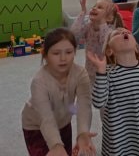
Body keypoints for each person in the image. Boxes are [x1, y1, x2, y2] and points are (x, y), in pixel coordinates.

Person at [88, 27, 139, 156]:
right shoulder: (108, 73)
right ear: (109, 50)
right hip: (118, 141)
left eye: (127, 32)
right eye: (116, 34)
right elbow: (98, 102)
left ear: (136, 48)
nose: (124, 32)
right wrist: (101, 72)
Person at [21, 27, 96, 156]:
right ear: (45, 55)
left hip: (63, 122)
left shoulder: (80, 73)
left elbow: (84, 105)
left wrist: (82, 133)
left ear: (75, 52)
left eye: (69, 52)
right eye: (56, 53)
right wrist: (55, 144)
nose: (63, 58)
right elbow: (46, 117)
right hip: (35, 126)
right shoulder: (39, 81)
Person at [70, 0, 124, 86]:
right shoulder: (88, 26)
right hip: (89, 70)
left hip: (105, 72)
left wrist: (102, 22)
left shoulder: (109, 31)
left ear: (109, 18)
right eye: (94, 6)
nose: (94, 8)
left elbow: (104, 43)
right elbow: (74, 33)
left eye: (99, 7)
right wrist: (83, 12)